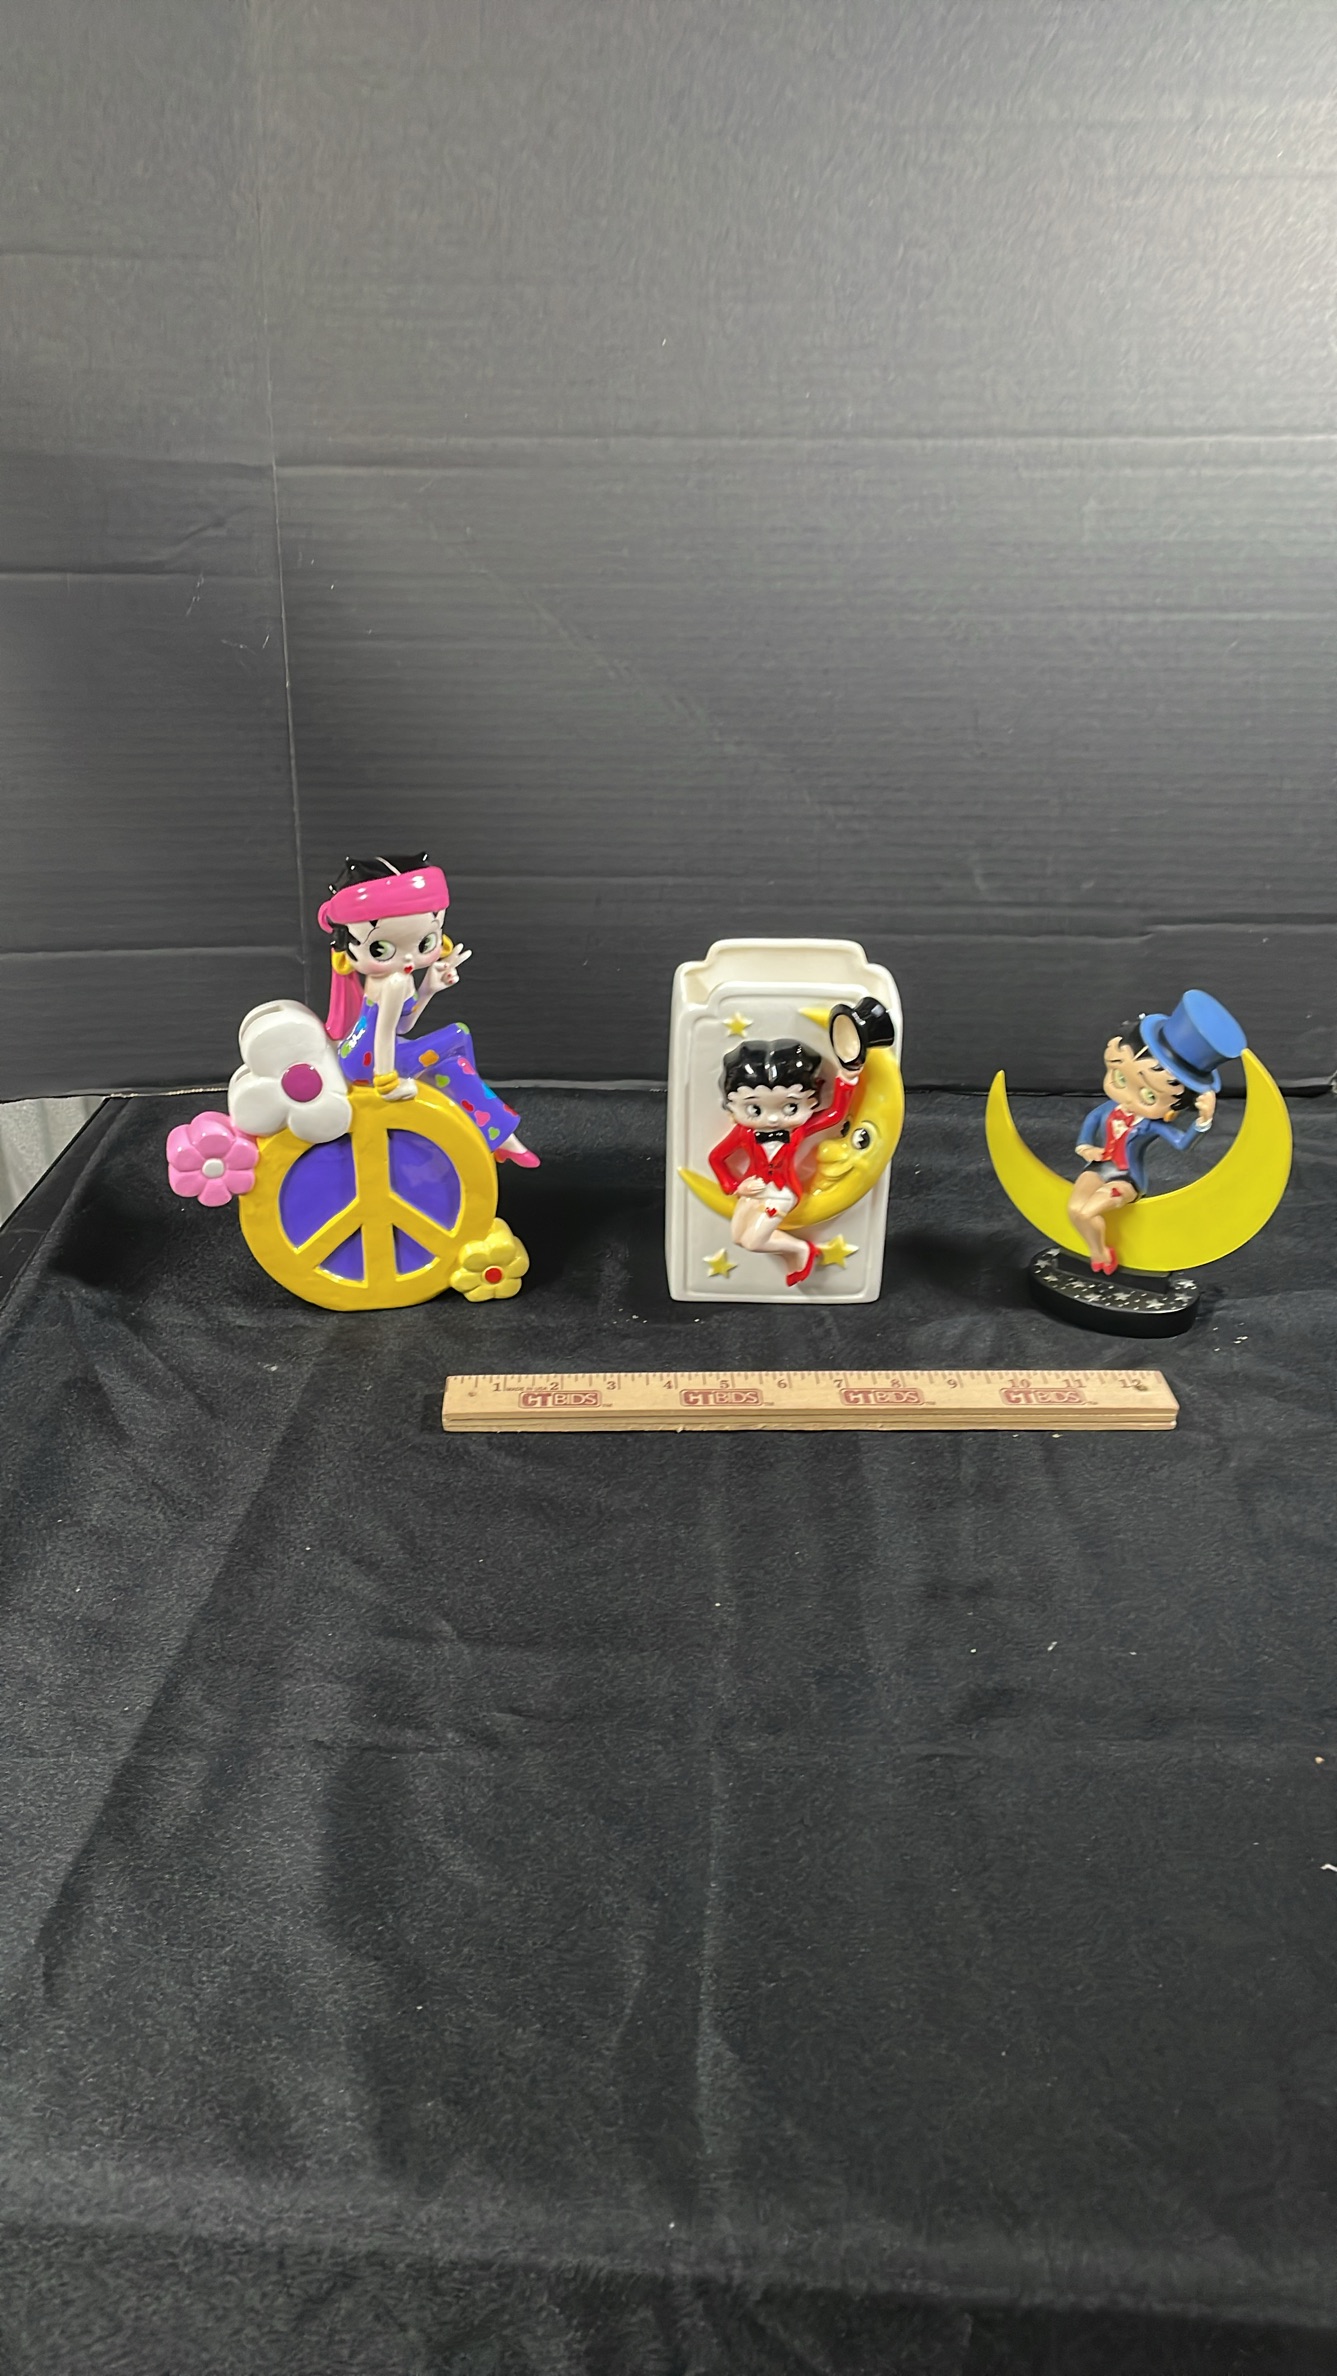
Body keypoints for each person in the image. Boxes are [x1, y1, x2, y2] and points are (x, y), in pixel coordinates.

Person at [318, 854, 539, 1165]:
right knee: (458, 1038)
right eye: (381, 949)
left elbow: (403, 1025)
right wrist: (387, 1082)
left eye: (425, 943)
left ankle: (489, 1129)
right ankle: (489, 1129)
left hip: (361, 1054)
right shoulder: (394, 982)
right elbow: (384, 1034)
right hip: (373, 1062)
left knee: (454, 1064)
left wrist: (428, 989)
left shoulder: (397, 978)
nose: (409, 958)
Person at [1067, 990, 1246, 1273]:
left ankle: (1101, 1254)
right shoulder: (1107, 1110)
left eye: (1149, 1096)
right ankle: (1097, 1250)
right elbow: (1090, 1124)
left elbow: (1182, 1144)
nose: (1128, 1097)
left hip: (1126, 1179)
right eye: (1120, 1078)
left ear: (1173, 1107)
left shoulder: (1151, 1124)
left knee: (1088, 1212)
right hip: (1099, 1166)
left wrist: (1202, 1122)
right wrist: (1086, 1148)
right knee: (1075, 1210)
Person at [708, 1038, 858, 1285]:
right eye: (755, 1110)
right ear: (732, 1106)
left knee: (753, 1242)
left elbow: (835, 1114)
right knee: (738, 1238)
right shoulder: (744, 1133)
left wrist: (848, 1078)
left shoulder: (797, 1132)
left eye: (789, 1107)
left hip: (781, 1193)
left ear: (811, 1101)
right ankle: (792, 1251)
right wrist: (735, 1186)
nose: (773, 1120)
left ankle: (801, 1250)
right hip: (753, 1191)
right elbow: (716, 1158)